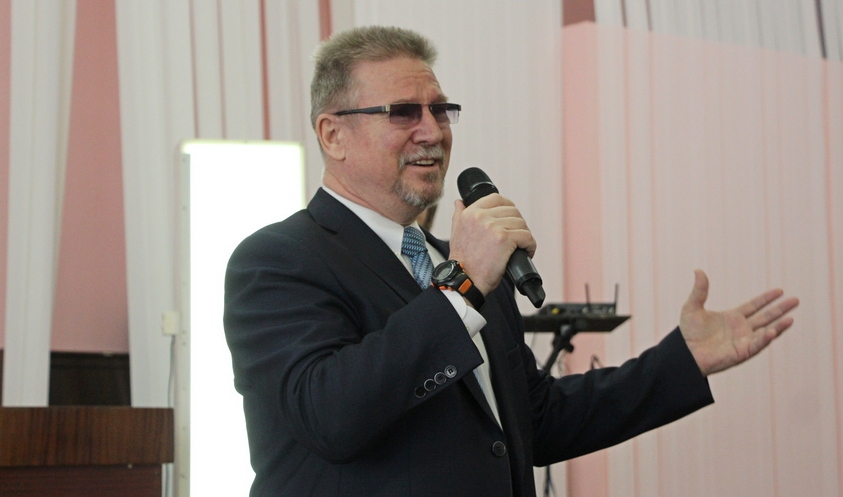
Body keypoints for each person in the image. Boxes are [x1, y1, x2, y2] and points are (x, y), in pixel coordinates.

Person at [223, 25, 799, 497]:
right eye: (403, 112)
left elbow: (534, 420)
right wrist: (462, 286)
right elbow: (330, 415)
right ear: (333, 135)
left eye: (440, 110)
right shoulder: (277, 261)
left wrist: (682, 362)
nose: (432, 132)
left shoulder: (465, 267)